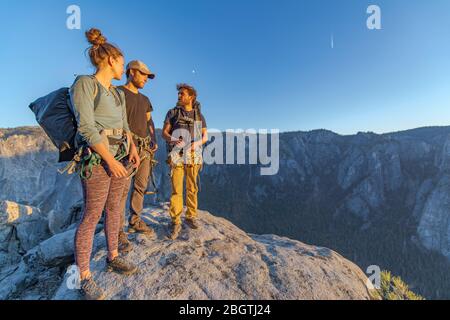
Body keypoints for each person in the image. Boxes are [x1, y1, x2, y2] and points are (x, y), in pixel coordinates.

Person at [70, 28, 140, 300]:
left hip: (120, 156)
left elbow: (124, 126)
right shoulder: (85, 84)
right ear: (110, 60)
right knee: (91, 215)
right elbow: (86, 127)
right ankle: (84, 277)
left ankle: (113, 256)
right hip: (98, 160)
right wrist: (110, 160)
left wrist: (132, 148)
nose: (123, 67)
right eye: (122, 63)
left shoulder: (117, 94)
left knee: (115, 210)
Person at [117, 60, 158, 253]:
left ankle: (135, 220)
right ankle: (117, 231)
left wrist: (154, 138)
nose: (145, 79)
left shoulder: (145, 100)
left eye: (147, 77)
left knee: (140, 186)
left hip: (144, 147)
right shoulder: (118, 93)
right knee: (121, 189)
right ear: (132, 72)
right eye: (143, 75)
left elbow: (149, 121)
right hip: (125, 147)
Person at [162, 84, 208, 240]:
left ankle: (190, 215)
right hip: (176, 154)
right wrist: (175, 140)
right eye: (179, 94)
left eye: (182, 94)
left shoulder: (198, 116)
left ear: (191, 97)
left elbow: (204, 137)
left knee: (191, 186)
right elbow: (164, 133)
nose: (179, 96)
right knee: (176, 188)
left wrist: (196, 144)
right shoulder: (173, 113)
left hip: (193, 154)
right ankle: (175, 220)